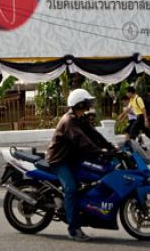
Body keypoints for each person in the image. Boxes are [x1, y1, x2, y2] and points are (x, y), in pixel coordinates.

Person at [46, 88, 109, 242]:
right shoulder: (69, 121)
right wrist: (98, 151)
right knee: (72, 189)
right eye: (87, 102)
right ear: (79, 104)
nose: (89, 104)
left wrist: (111, 148)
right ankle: (73, 229)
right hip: (60, 161)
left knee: (88, 182)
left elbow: (94, 135)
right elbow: (82, 140)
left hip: (72, 159)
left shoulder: (80, 119)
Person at [124, 86, 150, 154]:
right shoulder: (132, 99)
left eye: (127, 93)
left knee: (132, 132)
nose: (126, 94)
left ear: (130, 93)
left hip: (141, 117)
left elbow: (143, 110)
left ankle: (130, 149)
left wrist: (146, 120)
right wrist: (122, 115)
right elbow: (128, 109)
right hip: (138, 117)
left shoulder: (138, 99)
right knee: (148, 133)